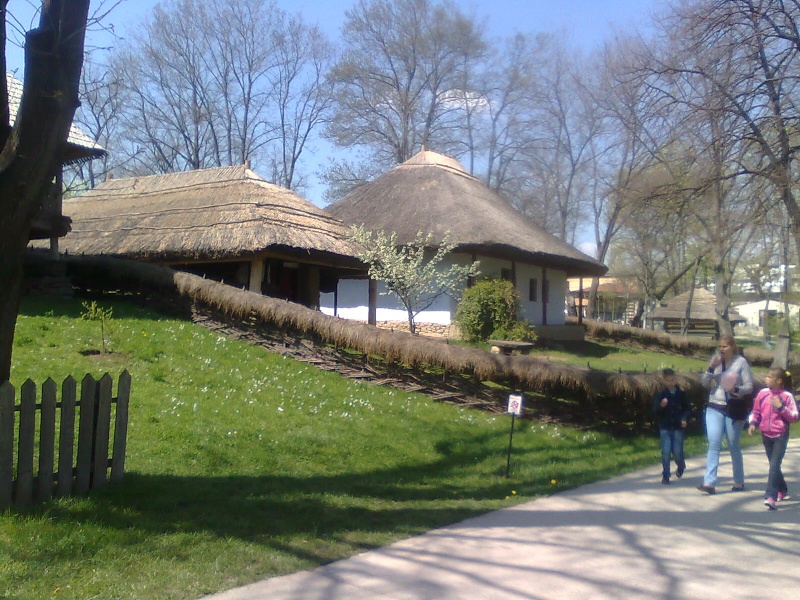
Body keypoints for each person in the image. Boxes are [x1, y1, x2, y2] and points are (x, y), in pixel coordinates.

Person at [697, 335, 754, 494]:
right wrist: (710, 368)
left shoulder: (740, 362)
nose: (722, 349)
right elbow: (703, 383)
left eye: (725, 346)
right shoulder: (716, 362)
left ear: (733, 347)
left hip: (734, 408)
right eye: (720, 346)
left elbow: (749, 386)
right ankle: (709, 483)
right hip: (715, 405)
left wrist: (736, 390)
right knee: (713, 443)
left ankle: (739, 481)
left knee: (733, 445)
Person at [747, 368, 799, 510]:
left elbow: (794, 416)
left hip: (780, 435)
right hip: (766, 434)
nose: (766, 379)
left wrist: (781, 407)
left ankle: (771, 496)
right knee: (773, 465)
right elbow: (755, 411)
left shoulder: (787, 396)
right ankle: (782, 489)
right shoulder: (763, 394)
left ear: (779, 380)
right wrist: (753, 423)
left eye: (770, 377)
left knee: (774, 466)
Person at [653, 368, 691, 485]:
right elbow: (655, 411)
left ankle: (680, 465)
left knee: (677, 451)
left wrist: (685, 418)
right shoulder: (661, 395)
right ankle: (666, 474)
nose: (671, 382)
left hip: (678, 427)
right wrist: (661, 406)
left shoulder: (681, 394)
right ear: (664, 381)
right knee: (665, 451)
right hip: (665, 427)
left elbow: (687, 408)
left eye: (672, 380)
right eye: (668, 380)